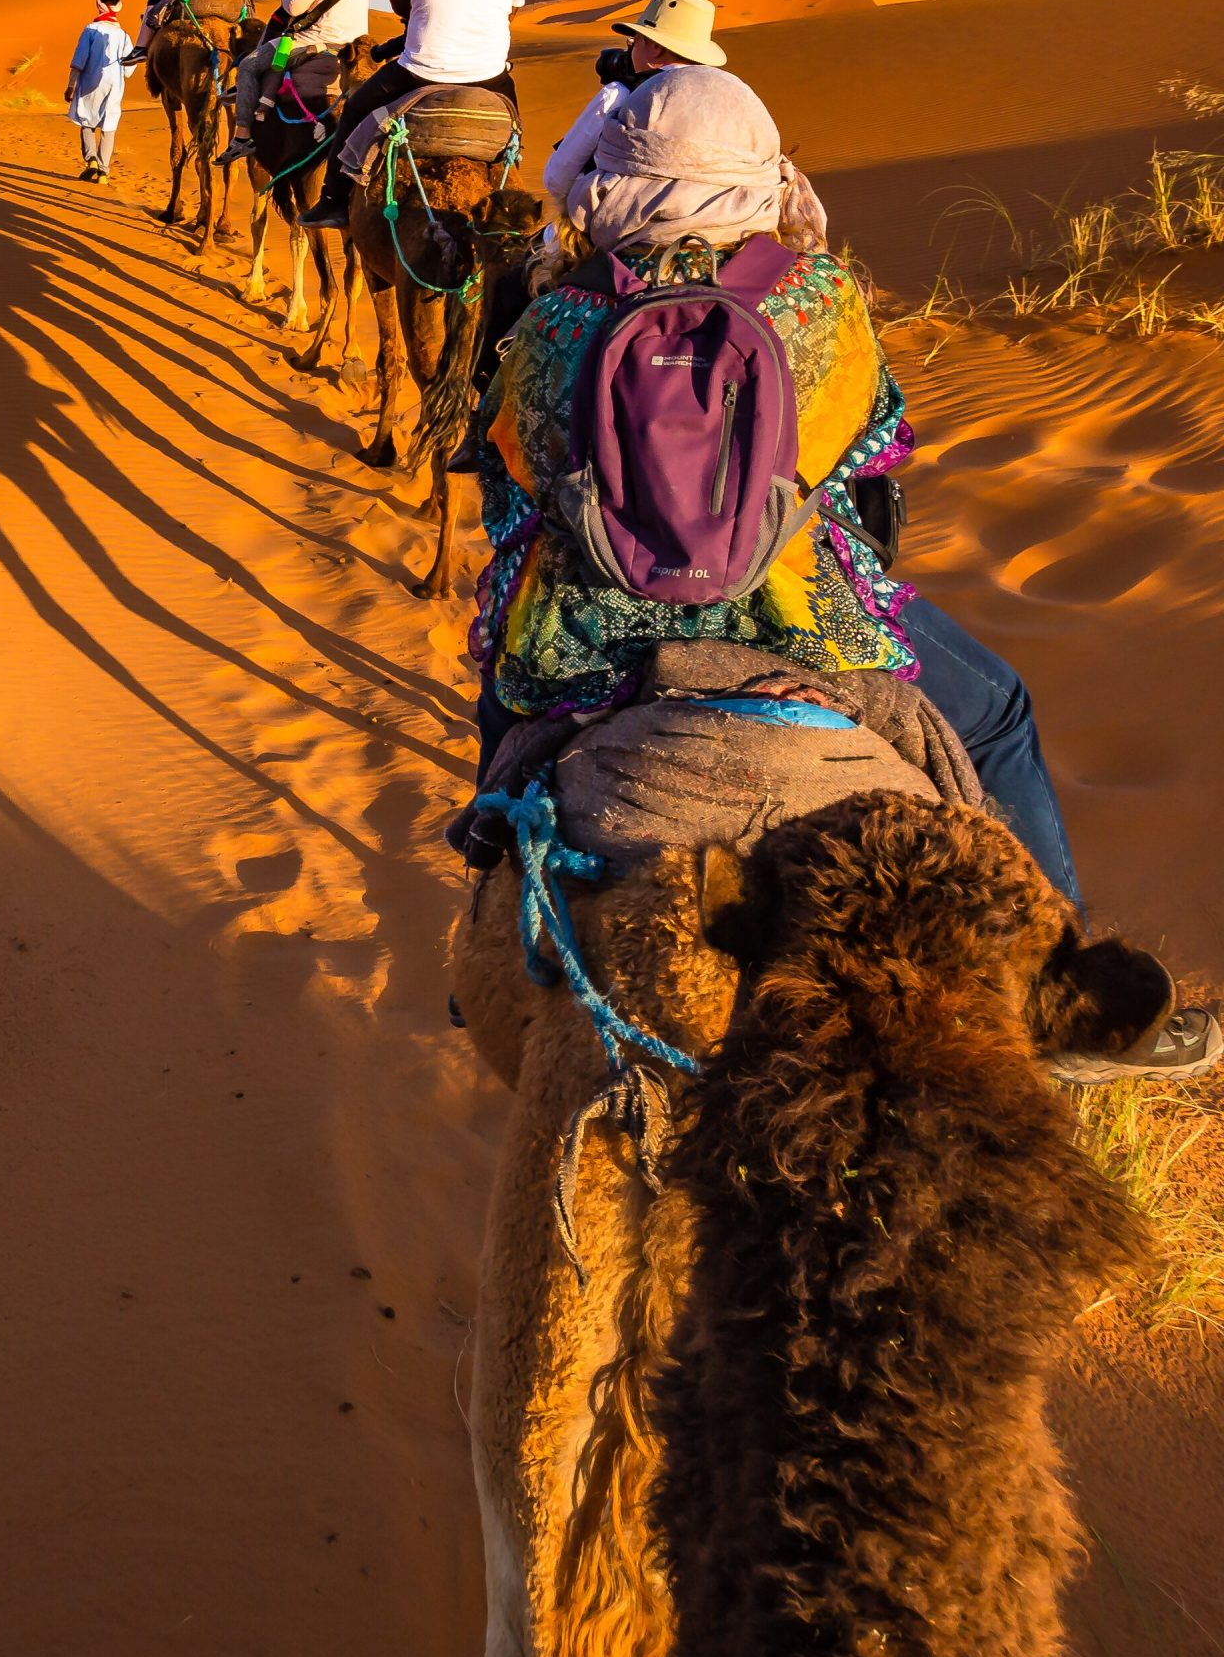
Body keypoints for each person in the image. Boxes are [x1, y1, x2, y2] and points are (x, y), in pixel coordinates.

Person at [468, 62, 1217, 1078]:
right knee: (994, 712)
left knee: (512, 701)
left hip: (596, 645)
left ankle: (483, 917)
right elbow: (875, 449)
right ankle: (1060, 980)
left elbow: (511, 489)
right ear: (755, 177)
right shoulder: (818, 298)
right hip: (802, 624)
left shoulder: (548, 323)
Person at [297, 0, 525, 225]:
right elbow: (511, 11)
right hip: (489, 76)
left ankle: (334, 199)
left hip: (418, 72)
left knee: (356, 107)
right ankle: (514, 199)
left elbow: (399, 3)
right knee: (513, 128)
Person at [540, 0, 721, 227]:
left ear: (655, 47)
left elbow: (557, 179)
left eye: (634, 41)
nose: (629, 48)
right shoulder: (720, 96)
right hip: (715, 220)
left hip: (625, 228)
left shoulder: (620, 94)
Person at [222, 0, 378, 163]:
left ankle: (242, 135)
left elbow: (295, 8)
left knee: (250, 65)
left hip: (314, 41)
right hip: (351, 46)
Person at [67, 0, 132, 183]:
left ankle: (92, 160)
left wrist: (71, 84)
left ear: (99, 4)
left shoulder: (91, 29)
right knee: (109, 125)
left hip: (91, 82)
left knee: (86, 120)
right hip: (115, 85)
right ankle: (104, 171)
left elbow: (79, 59)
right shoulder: (124, 35)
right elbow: (129, 67)